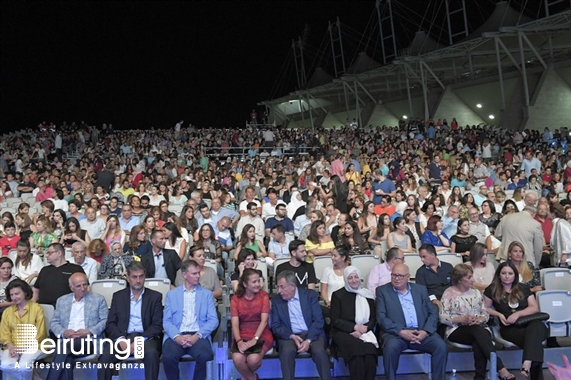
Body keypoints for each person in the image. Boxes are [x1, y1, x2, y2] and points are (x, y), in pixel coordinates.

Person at [440, 264, 515, 380]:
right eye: (469, 277)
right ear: (460, 279)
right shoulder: (448, 293)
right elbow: (442, 317)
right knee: (479, 333)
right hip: (456, 330)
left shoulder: (476, 293)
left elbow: (485, 313)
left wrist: (479, 319)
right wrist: (463, 319)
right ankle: (501, 368)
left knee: (478, 339)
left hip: (478, 328)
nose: (473, 280)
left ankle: (479, 377)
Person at [375, 263, 448, 380]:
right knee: (390, 348)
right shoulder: (382, 291)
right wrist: (400, 332)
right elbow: (381, 317)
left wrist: (425, 331)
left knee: (441, 346)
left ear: (408, 277)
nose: (396, 278)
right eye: (394, 275)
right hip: (397, 334)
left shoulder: (420, 290)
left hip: (421, 332)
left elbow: (433, 312)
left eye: (400, 276)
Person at [98, 261, 163, 380]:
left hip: (145, 338)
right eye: (134, 277)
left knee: (152, 354)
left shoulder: (155, 297)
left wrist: (138, 341)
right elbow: (111, 323)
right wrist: (121, 340)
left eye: (141, 276)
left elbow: (157, 325)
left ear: (145, 277)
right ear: (127, 278)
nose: (138, 280)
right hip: (123, 337)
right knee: (106, 356)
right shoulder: (118, 296)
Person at [484, 262, 549, 380]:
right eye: (504, 273)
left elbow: (534, 307)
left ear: (515, 275)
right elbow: (485, 308)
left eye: (510, 273)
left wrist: (518, 313)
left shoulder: (523, 287)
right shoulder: (492, 289)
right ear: (499, 275)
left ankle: (527, 363)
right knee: (534, 341)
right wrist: (498, 314)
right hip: (510, 328)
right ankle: (529, 366)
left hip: (529, 323)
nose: (507, 276)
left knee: (536, 326)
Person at [162, 259, 219, 380]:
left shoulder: (207, 294)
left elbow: (213, 320)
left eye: (198, 273)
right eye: (194, 273)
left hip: (198, 335)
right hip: (176, 335)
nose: (198, 276)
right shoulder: (172, 295)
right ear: (184, 275)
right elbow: (166, 321)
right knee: (168, 357)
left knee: (205, 355)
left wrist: (197, 336)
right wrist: (177, 337)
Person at [270, 270, 331, 380]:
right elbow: (275, 325)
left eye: (282, 287)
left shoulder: (310, 296)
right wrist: (291, 336)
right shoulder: (276, 301)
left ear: (292, 286)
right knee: (287, 352)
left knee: (320, 352)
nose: (279, 291)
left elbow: (318, 320)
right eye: (278, 287)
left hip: (312, 333)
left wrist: (308, 340)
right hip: (290, 335)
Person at [46, 272, 108, 380]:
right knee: (67, 360)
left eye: (85, 284)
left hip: (89, 341)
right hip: (67, 341)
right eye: (78, 286)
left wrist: (89, 331)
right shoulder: (62, 300)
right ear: (71, 288)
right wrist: (64, 332)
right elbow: (54, 322)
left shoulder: (98, 299)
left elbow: (105, 321)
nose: (83, 288)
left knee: (62, 349)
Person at [330, 266, 378, 380]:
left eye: (356, 277)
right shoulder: (338, 295)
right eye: (350, 278)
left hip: (365, 331)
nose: (354, 280)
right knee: (356, 353)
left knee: (370, 352)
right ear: (346, 279)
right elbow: (335, 320)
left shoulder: (368, 295)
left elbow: (374, 317)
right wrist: (354, 328)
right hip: (343, 332)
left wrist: (366, 328)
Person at [230, 268, 274, 380]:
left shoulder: (264, 296)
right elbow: (234, 323)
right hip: (242, 333)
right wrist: (239, 341)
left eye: (258, 281)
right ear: (245, 284)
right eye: (254, 282)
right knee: (237, 358)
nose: (258, 284)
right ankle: (252, 377)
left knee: (253, 359)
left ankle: (245, 378)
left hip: (261, 333)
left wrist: (255, 339)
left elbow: (264, 321)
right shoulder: (235, 299)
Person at [0, 279, 47, 380]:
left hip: (34, 345)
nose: (14, 297)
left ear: (25, 292)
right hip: (13, 346)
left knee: (24, 366)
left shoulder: (36, 308)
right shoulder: (7, 312)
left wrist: (23, 348)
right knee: (5, 365)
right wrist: (11, 346)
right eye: (12, 295)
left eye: (17, 293)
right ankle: (34, 377)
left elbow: (40, 334)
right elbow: (4, 333)